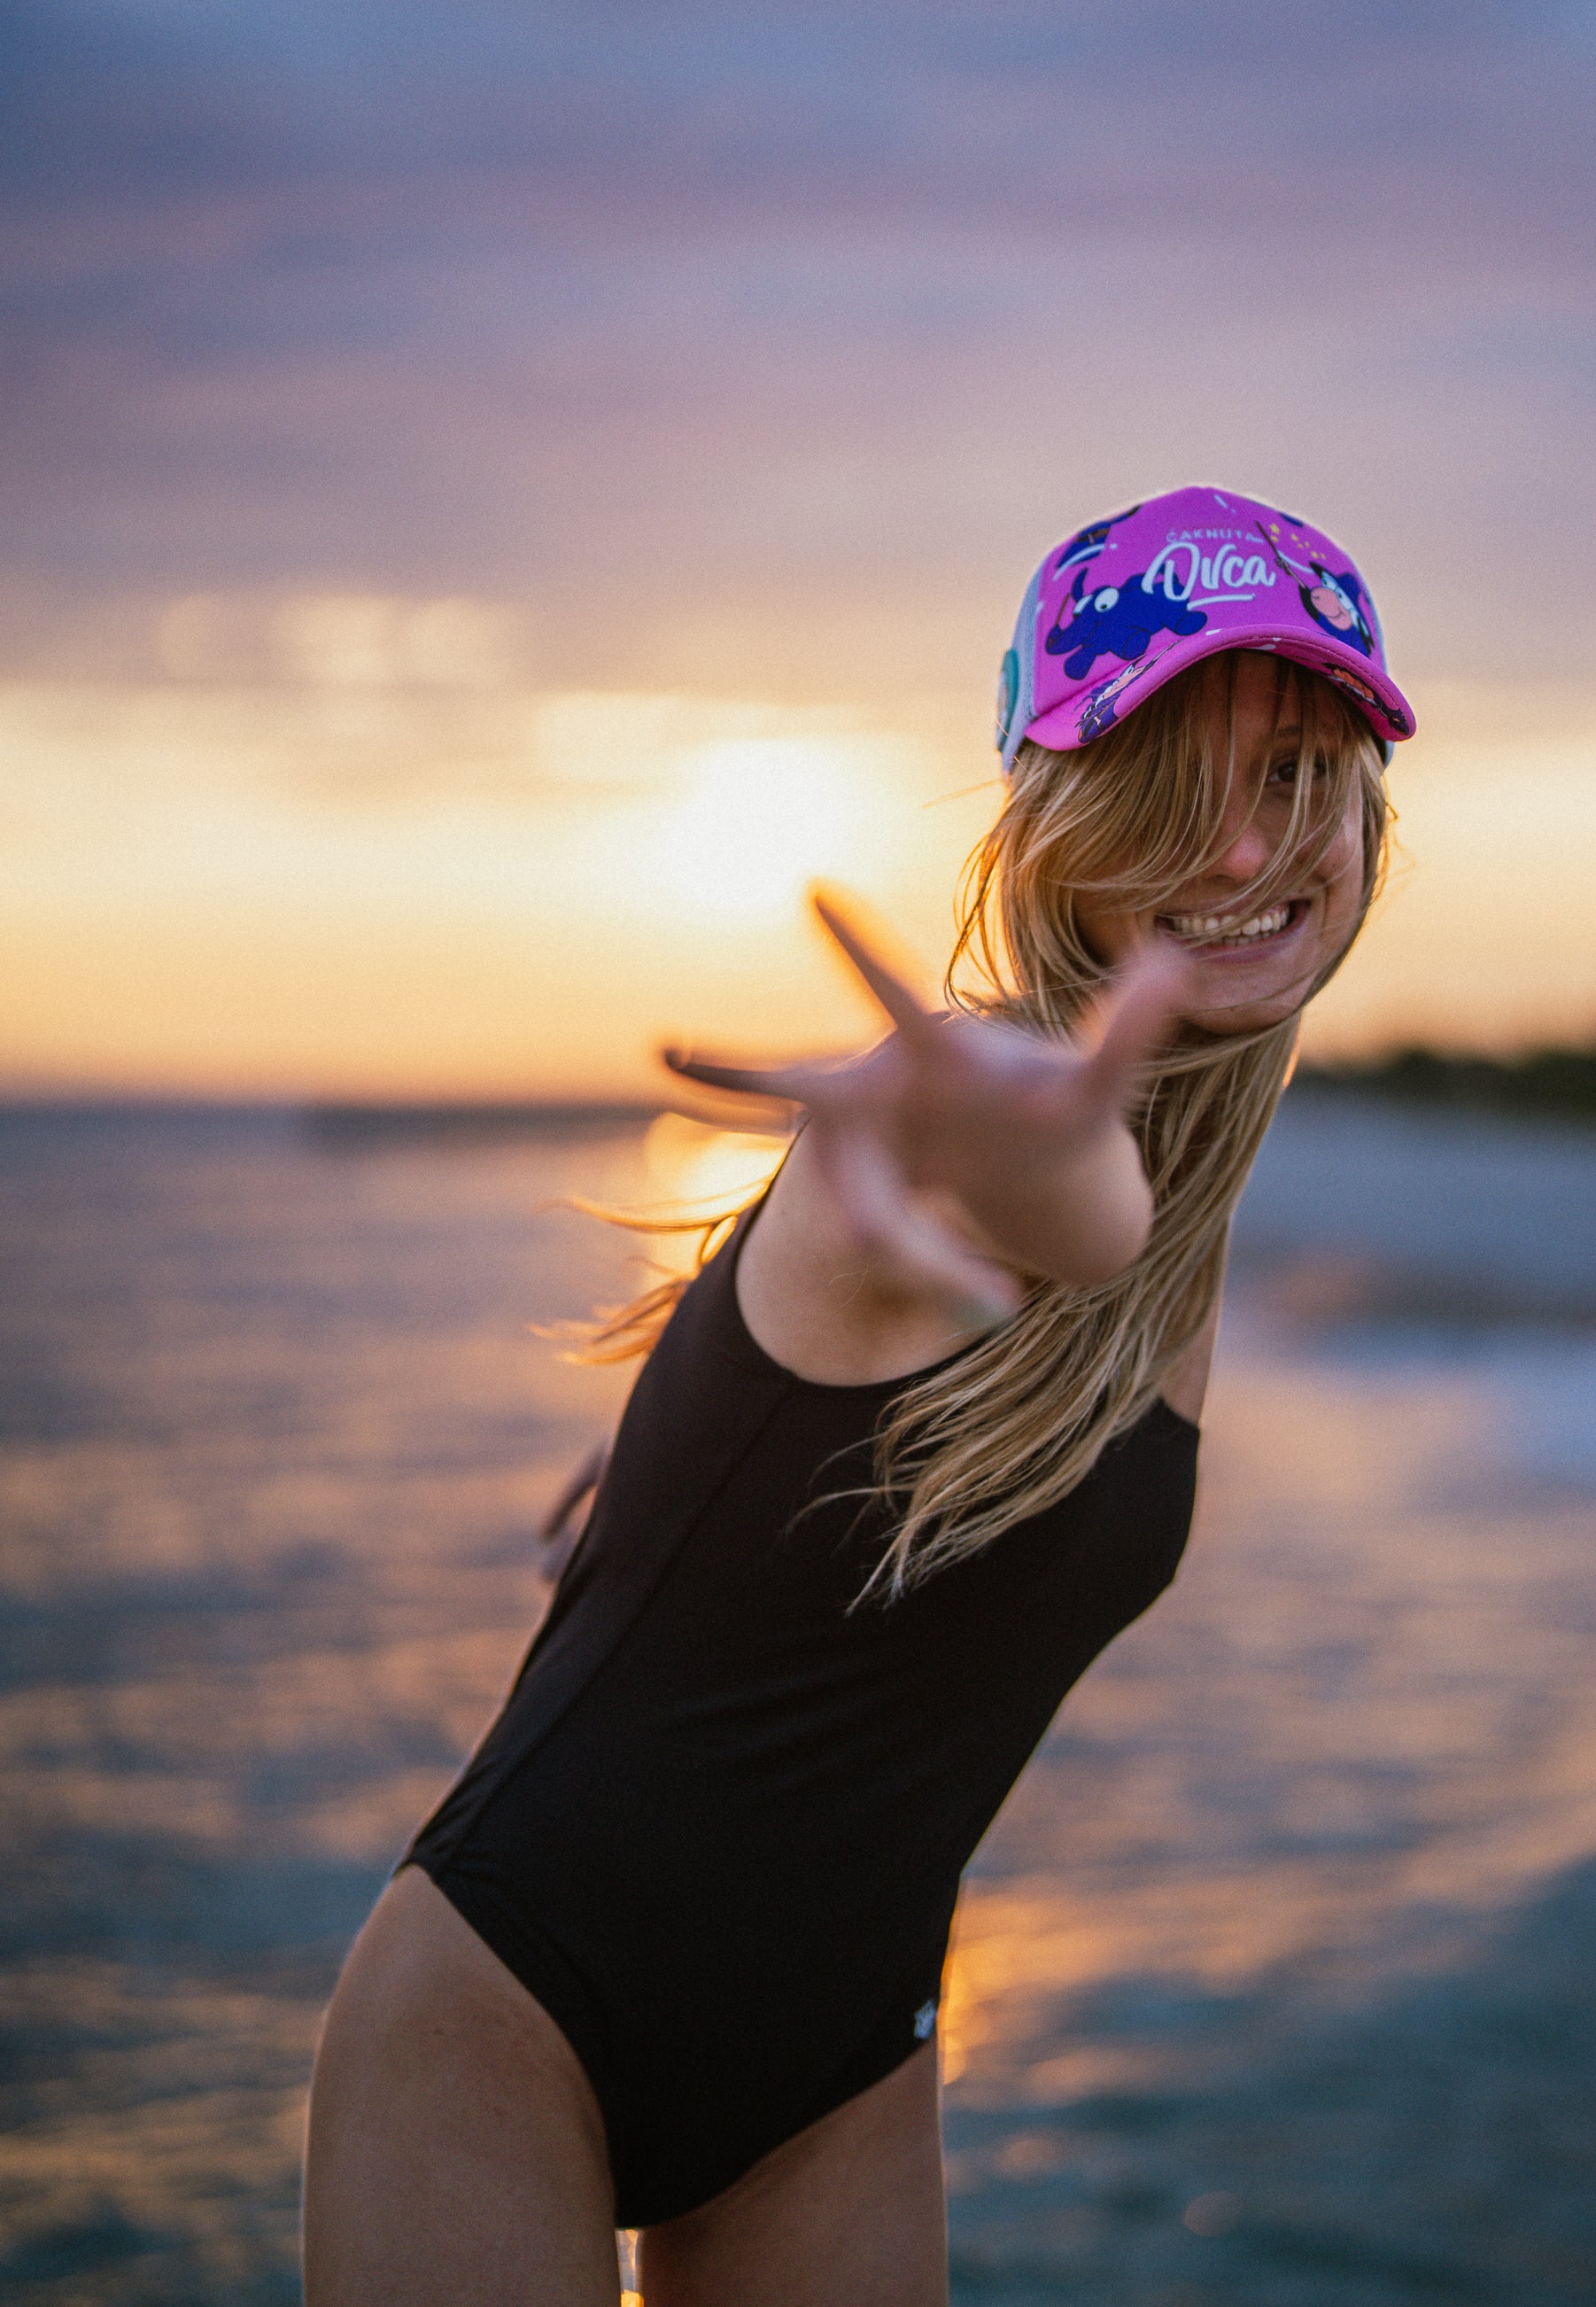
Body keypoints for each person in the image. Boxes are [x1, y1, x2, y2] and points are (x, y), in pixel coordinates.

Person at [302, 482, 1414, 2306]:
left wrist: (678, 1480)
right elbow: (1066, 1202)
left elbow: (980, 1321)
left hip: (847, 2052)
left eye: (1296, 776)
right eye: (1168, 793)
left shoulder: (1173, 1213)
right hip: (504, 2018)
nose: (1241, 851)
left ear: (1365, 811)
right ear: (1058, 828)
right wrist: (1020, 1147)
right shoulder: (971, 1112)